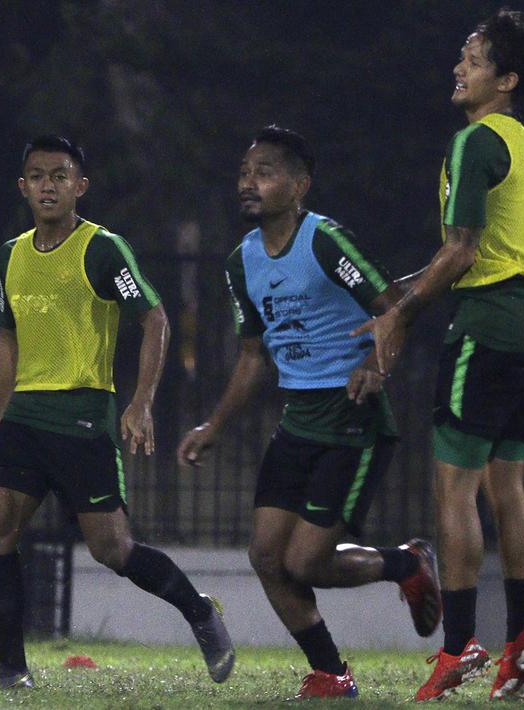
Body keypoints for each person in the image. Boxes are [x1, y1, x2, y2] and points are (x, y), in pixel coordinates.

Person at [176, 125, 442, 700]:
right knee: (267, 556)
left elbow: (394, 307)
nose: (249, 183)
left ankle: (405, 565)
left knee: (307, 561)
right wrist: (214, 426)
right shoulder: (239, 262)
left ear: (299, 186)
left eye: (265, 172)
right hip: (298, 420)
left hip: (353, 420)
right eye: (245, 172)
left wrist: (376, 364)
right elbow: (253, 357)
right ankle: (330, 673)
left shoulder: (325, 242)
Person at [0, 135, 234, 688]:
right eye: (38, 176)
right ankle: (13, 669)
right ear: (23, 187)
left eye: (60, 176)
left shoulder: (102, 249)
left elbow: (156, 318)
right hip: (24, 418)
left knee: (112, 549)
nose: (49, 185)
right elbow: (7, 339)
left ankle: (199, 611)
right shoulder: (10, 255)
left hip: (82, 417)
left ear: (80, 187)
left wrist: (141, 401)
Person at [352, 8, 524, 701]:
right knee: (508, 487)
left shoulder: (472, 143)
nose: (457, 68)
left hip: (488, 328)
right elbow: (472, 254)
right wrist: (401, 294)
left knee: (454, 490)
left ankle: (460, 644)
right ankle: (522, 637)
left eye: (471, 59)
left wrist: (401, 318)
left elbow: (463, 253)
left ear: (505, 79)